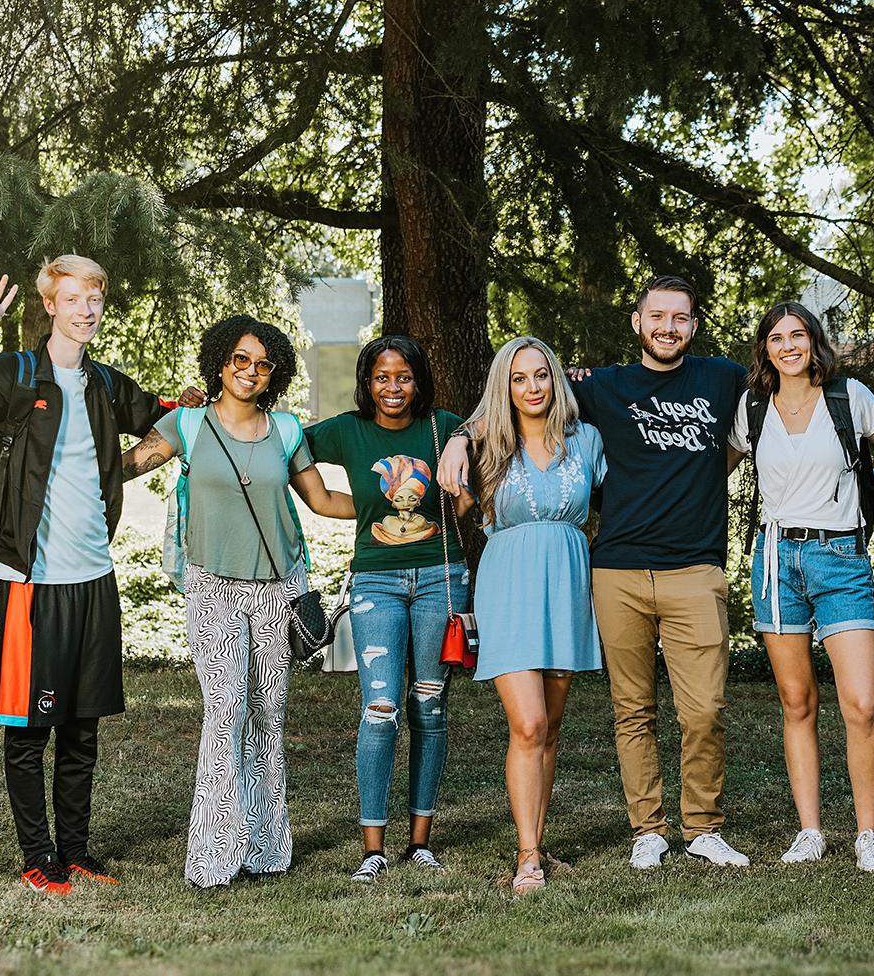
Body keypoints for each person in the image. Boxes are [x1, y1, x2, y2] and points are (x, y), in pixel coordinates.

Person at [0, 257, 203, 895]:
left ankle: (77, 850)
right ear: (50, 306)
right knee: (28, 730)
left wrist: (196, 406)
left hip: (95, 577)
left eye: (94, 299)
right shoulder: (13, 376)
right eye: (72, 299)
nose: (85, 310)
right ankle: (39, 857)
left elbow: (165, 418)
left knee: (81, 728)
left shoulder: (103, 384)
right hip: (31, 582)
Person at [443, 275, 754, 869]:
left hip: (619, 576)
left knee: (693, 710)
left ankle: (699, 828)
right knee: (580, 716)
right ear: (636, 322)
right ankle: (601, 839)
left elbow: (777, 401)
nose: (668, 327)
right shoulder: (590, 394)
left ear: (694, 323)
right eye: (656, 315)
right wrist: (458, 438)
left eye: (680, 317)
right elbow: (460, 490)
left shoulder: (707, 385)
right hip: (579, 577)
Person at [117, 315, 353, 888]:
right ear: (220, 363)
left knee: (269, 718)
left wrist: (397, 506)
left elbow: (320, 501)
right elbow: (120, 467)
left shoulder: (288, 430)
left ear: (274, 375)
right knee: (225, 717)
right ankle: (215, 855)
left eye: (262, 364)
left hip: (278, 591)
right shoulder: (188, 425)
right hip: (213, 588)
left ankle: (267, 849)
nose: (250, 372)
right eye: (240, 360)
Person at [726, 301, 874, 872]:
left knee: (861, 703)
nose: (789, 346)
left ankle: (867, 832)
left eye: (799, 335)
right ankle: (810, 831)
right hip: (775, 559)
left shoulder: (848, 396)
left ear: (814, 342)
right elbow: (712, 470)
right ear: (765, 348)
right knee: (797, 701)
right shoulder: (753, 406)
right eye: (777, 337)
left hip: (840, 557)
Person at [304, 335, 471, 882]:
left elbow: (488, 434)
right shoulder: (348, 429)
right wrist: (338, 503)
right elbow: (283, 446)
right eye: (381, 377)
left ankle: (419, 841)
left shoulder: (444, 425)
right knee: (380, 711)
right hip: (376, 582)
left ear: (418, 381)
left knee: (430, 708)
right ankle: (372, 848)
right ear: (367, 382)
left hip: (440, 580)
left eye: (403, 377)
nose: (392, 387)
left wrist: (462, 448)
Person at [457, 336, 606, 893]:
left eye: (540, 375)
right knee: (529, 723)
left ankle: (538, 840)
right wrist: (457, 443)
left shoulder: (586, 440)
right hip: (509, 585)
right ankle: (526, 856)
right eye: (519, 378)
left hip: (568, 583)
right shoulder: (489, 444)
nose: (532, 387)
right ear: (506, 386)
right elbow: (464, 509)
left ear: (556, 378)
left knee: (552, 727)